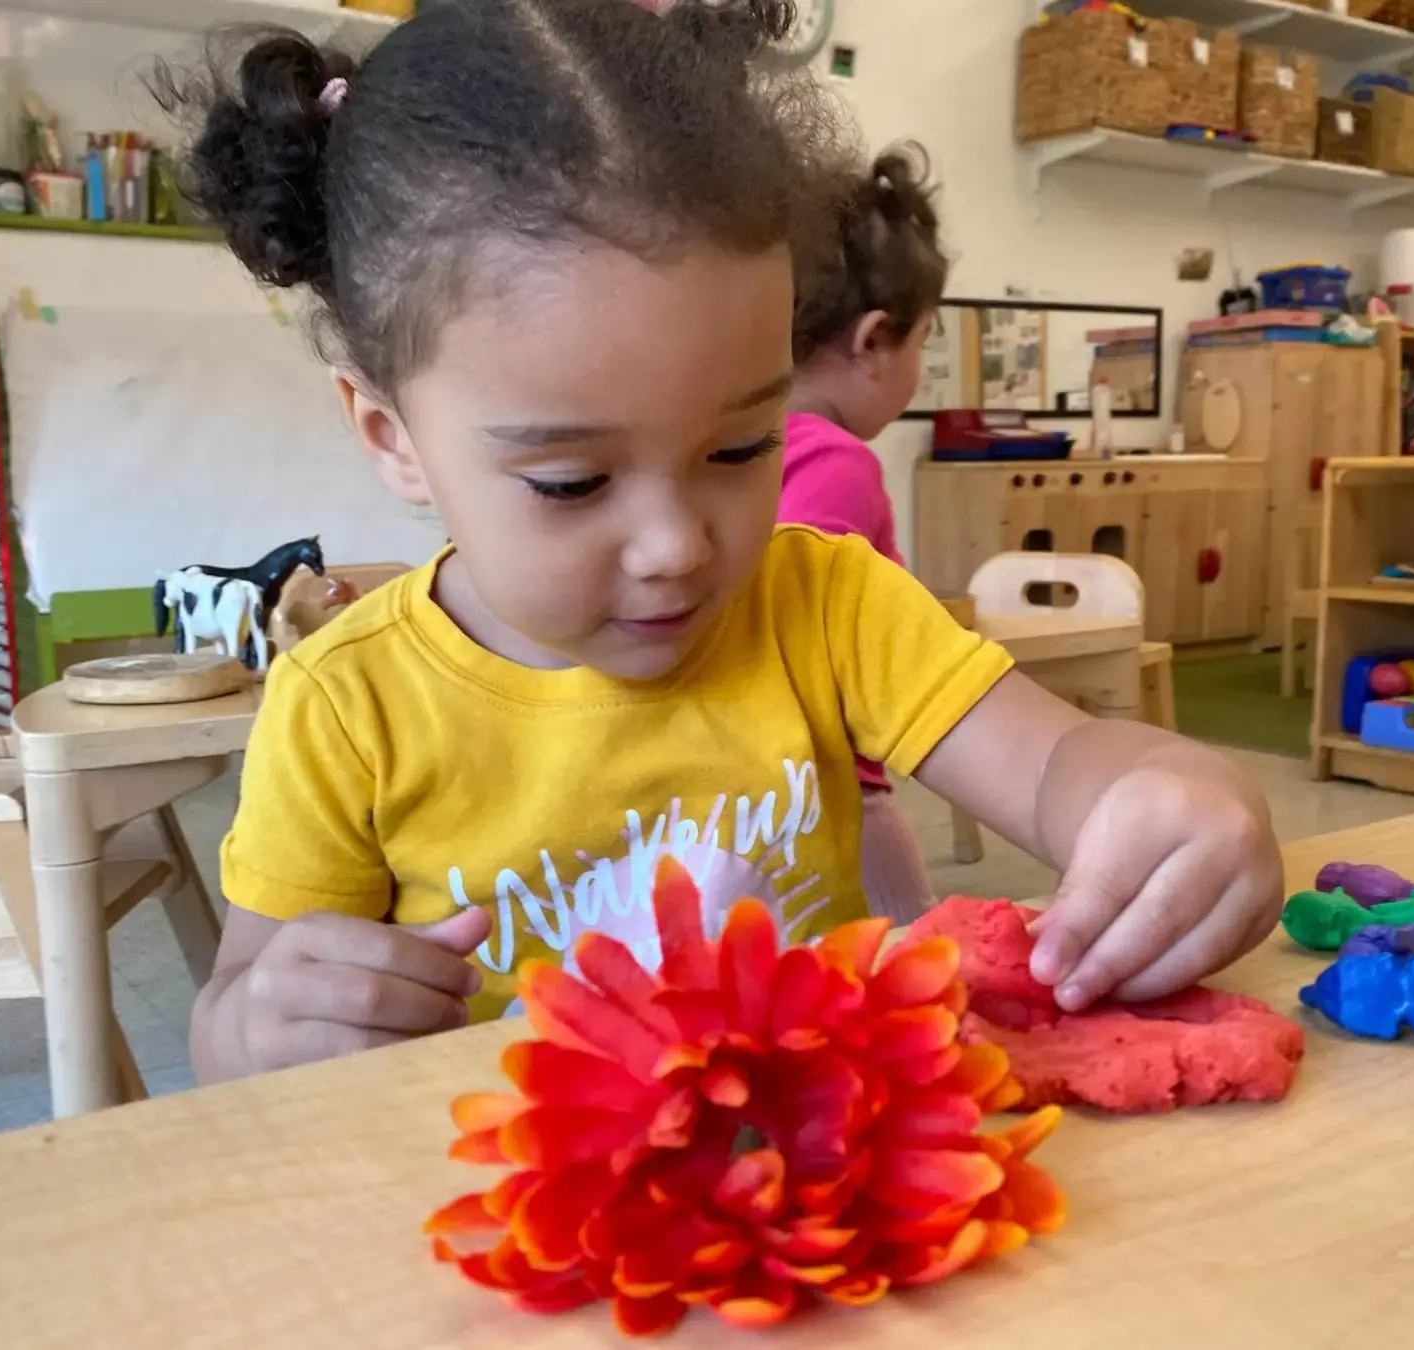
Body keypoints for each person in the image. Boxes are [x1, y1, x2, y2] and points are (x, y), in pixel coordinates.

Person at [162, 0, 1283, 1086]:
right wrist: (261, 1030)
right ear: (390, 435)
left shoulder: (829, 604)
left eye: (743, 448)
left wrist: (1167, 790)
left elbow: (1057, 769)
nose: (674, 547)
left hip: (819, 1199)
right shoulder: (345, 707)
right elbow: (232, 1021)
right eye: (573, 480)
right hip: (524, 1228)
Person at [780, 146, 947, 926]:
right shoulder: (836, 461)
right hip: (839, 788)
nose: (918, 368)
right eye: (924, 344)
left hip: (773, 782)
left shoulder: (748, 445)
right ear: (874, 340)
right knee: (912, 965)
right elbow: (807, 626)